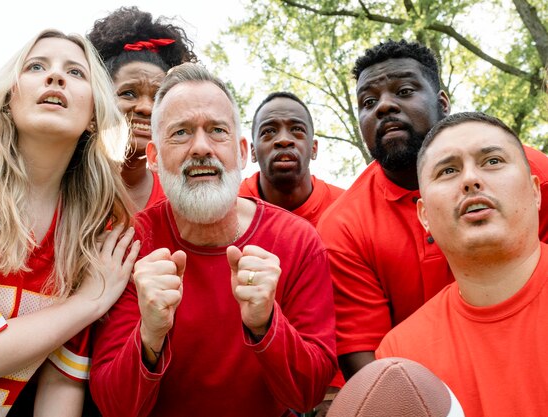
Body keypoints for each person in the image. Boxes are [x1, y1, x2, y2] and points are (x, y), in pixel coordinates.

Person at [89, 63, 337, 417]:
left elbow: (308, 393)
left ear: (240, 151)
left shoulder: (298, 241)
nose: (201, 147)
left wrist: (267, 323)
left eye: (217, 131)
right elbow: (114, 407)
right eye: (181, 133)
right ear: (155, 158)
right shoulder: (129, 243)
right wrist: (149, 335)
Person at [0, 29, 140, 415]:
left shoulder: (95, 226)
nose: (55, 77)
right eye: (36, 66)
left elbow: (61, 380)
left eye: (76, 72)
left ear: (94, 114)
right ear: (9, 96)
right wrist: (89, 301)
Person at [316, 39, 548, 384]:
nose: (384, 106)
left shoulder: (526, 173)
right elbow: (366, 357)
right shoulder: (343, 227)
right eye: (368, 101)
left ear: (443, 102)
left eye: (404, 90)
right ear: (424, 212)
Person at [377, 111, 548, 416]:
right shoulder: (403, 359)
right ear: (424, 216)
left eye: (492, 161)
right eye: (447, 171)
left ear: (535, 191)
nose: (471, 179)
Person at [87, 6, 197, 210]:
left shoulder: (181, 196)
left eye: (157, 98)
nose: (146, 108)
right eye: (128, 93)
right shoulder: (60, 187)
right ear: (99, 100)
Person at [239, 91, 344, 226]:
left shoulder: (346, 207)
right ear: (253, 152)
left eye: (297, 129)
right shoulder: (228, 208)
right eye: (268, 131)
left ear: (314, 148)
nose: (284, 140)